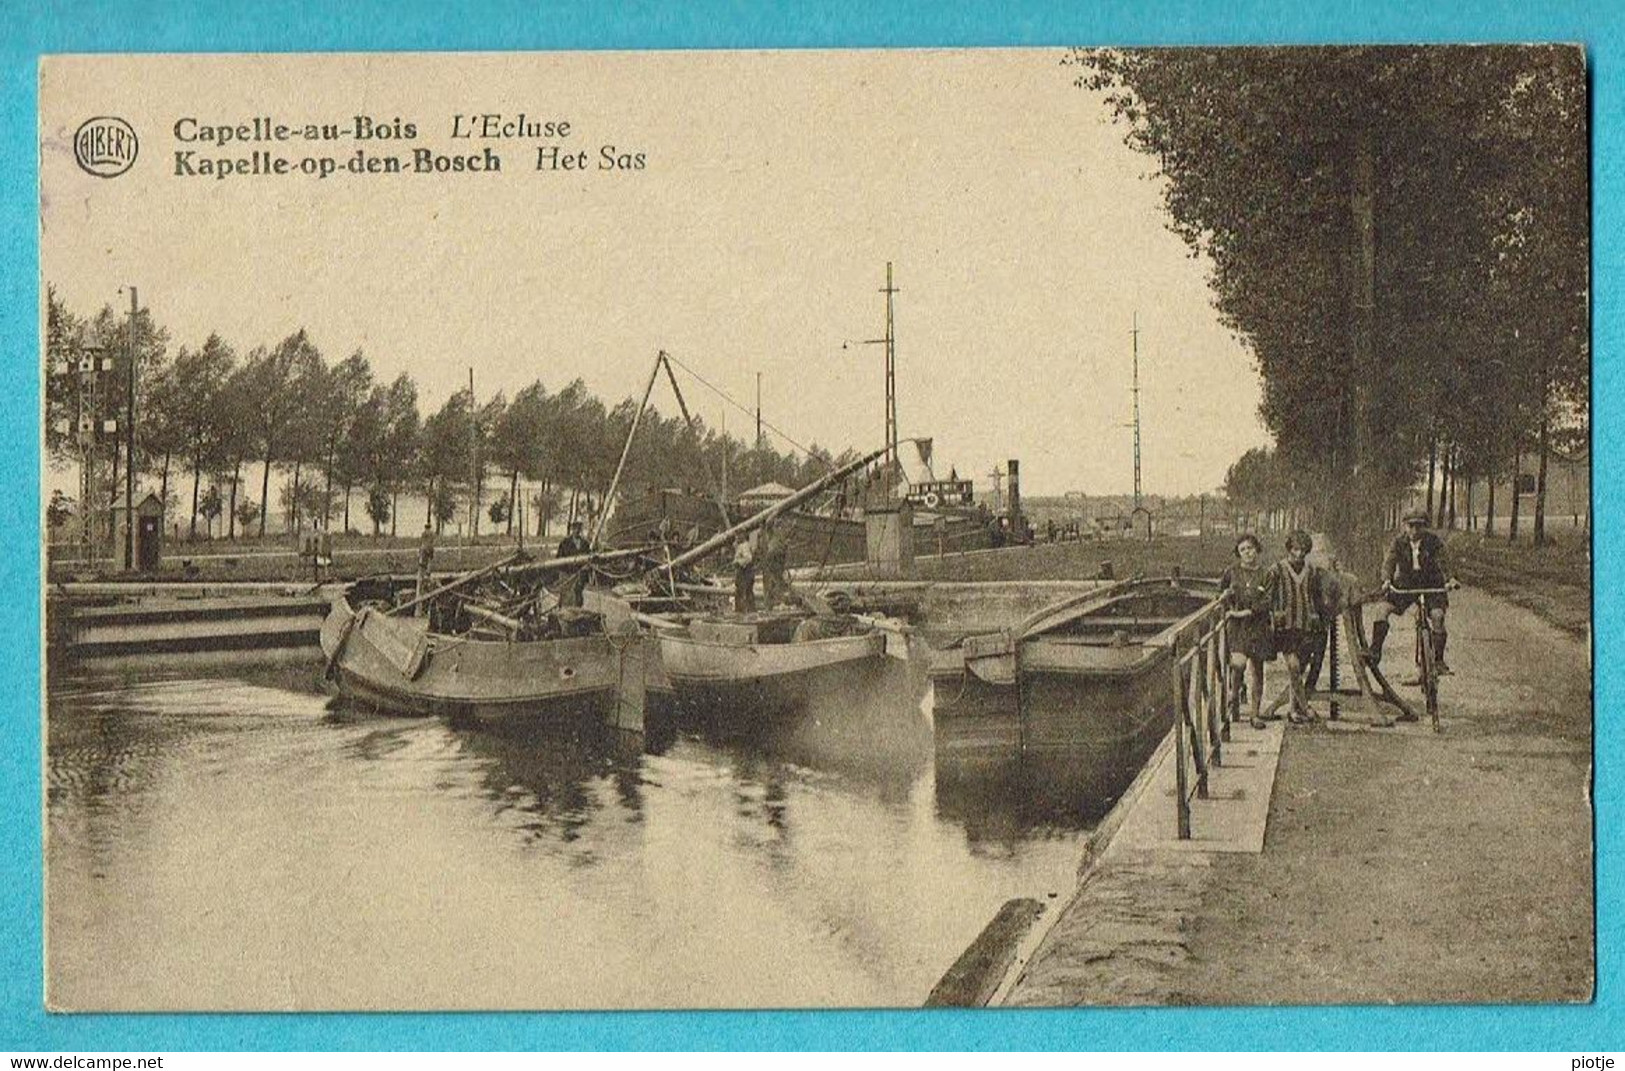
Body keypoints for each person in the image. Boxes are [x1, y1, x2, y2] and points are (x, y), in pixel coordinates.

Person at [1369, 509, 1459, 681]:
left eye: (1419, 526)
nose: (1415, 531)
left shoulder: (1433, 542)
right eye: (1411, 526)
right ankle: (1375, 651)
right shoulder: (1398, 542)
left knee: (1437, 616)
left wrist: (1451, 579)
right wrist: (1387, 580)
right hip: (1406, 584)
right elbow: (1389, 562)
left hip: (1431, 584)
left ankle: (1439, 660)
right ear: (1405, 526)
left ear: (1425, 527)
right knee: (1382, 609)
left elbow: (1445, 560)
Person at [1265, 530, 1323, 724]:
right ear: (1289, 549)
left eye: (1303, 550)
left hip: (1306, 626)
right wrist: (1273, 616)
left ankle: (1292, 710)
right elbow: (1268, 597)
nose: (1299, 554)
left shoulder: (1312, 570)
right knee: (1293, 666)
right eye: (1295, 549)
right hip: (1286, 627)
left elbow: (1315, 596)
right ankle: (1305, 707)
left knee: (1297, 671)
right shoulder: (1276, 570)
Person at [1220, 533, 1273, 730]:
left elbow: (1268, 600)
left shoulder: (1266, 573)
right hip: (1238, 628)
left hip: (1258, 626)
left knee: (1257, 670)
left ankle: (1255, 714)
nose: (1247, 553)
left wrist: (1248, 612)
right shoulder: (1231, 572)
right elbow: (1219, 594)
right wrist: (1225, 597)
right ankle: (1235, 695)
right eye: (1243, 550)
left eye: (1250, 548)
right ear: (1238, 553)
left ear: (1256, 549)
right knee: (1238, 664)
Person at [555, 519, 592, 608]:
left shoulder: (585, 543)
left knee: (578, 595)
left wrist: (586, 568)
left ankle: (577, 613)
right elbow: (559, 559)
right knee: (566, 596)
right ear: (572, 529)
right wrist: (564, 572)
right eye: (575, 528)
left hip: (579, 574)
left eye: (579, 528)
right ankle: (564, 613)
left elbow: (589, 557)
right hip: (567, 574)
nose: (577, 530)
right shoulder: (565, 543)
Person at [758, 518, 790, 607]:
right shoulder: (776, 536)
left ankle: (774, 601)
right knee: (774, 581)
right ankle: (773, 601)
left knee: (773, 581)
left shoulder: (774, 536)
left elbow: (775, 550)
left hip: (773, 560)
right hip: (773, 560)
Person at [414, 520, 436, 613]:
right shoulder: (429, 545)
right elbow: (429, 560)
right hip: (424, 568)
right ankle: (422, 609)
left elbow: (423, 561)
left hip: (423, 567)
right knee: (424, 586)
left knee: (421, 586)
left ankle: (420, 609)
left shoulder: (424, 543)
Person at [732, 532, 757, 614]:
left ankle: (743, 611)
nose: (737, 538)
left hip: (744, 571)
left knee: (743, 592)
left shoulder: (744, 546)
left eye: (738, 536)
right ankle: (747, 610)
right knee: (744, 591)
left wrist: (738, 562)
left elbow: (748, 558)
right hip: (744, 571)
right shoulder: (740, 545)